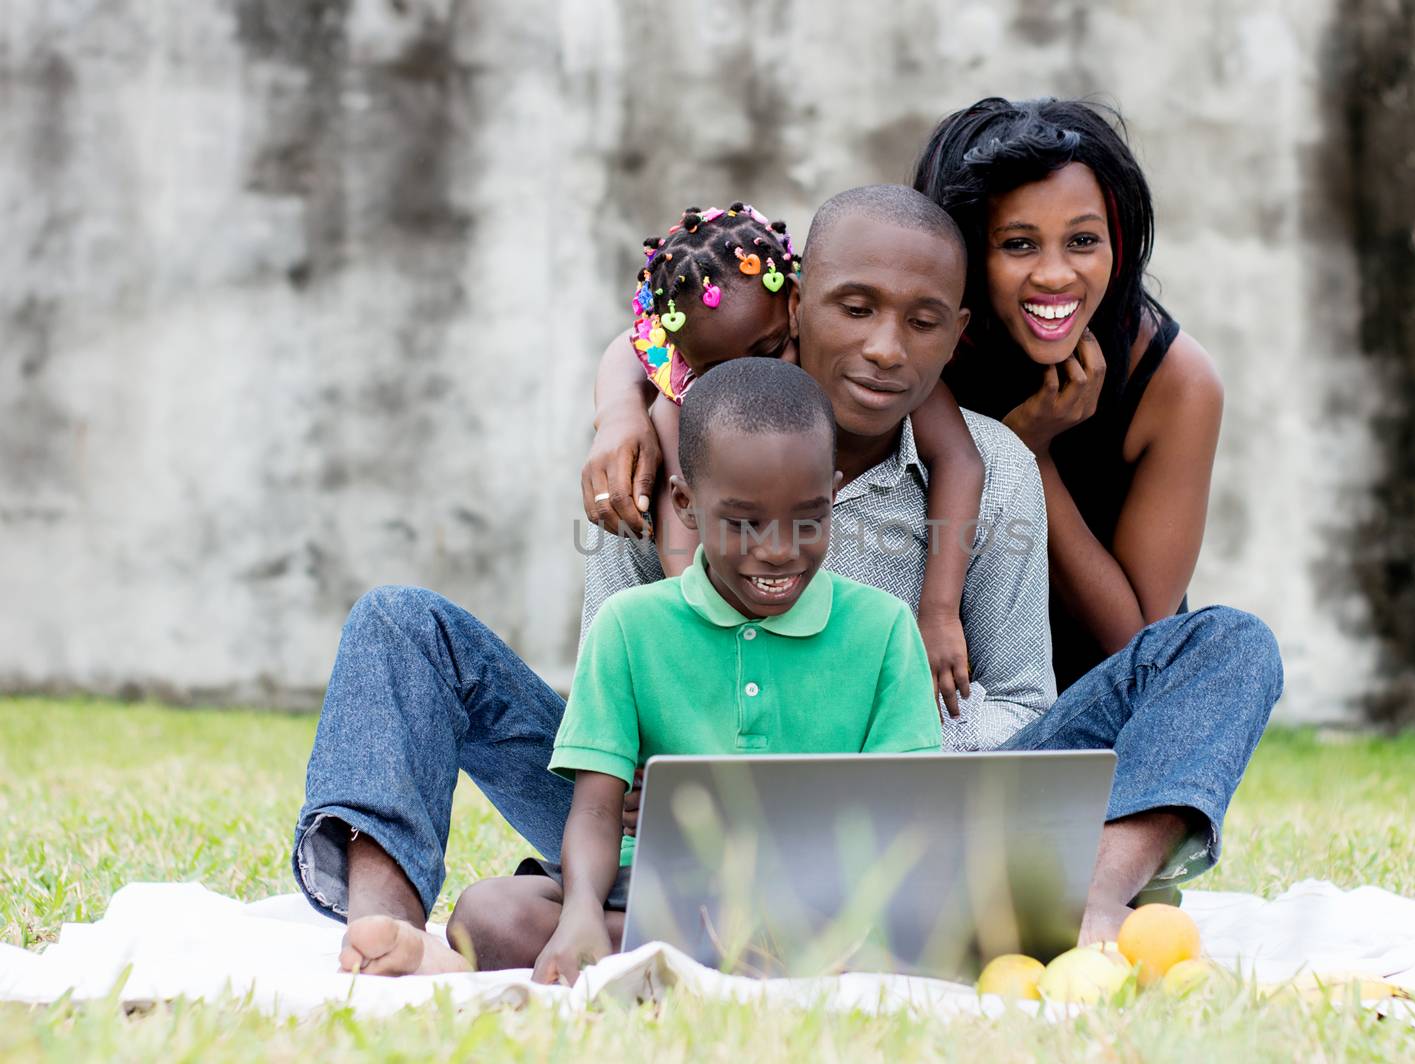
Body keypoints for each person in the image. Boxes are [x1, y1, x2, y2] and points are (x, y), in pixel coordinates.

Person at [581, 184, 1281, 942]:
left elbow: (1021, 706)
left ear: (955, 336)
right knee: (431, 633)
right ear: (798, 306)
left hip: (927, 830)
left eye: (922, 324)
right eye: (854, 310)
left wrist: (839, 768)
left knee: (1230, 645)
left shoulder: (995, 468)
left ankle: (1095, 898)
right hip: (676, 827)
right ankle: (458, 924)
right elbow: (606, 711)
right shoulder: (660, 463)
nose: (886, 349)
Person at [427, 358, 944, 980]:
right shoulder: (630, 626)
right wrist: (583, 910)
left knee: (939, 917)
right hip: (654, 887)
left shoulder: (884, 629)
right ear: (686, 504)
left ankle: (706, 955)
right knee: (489, 916)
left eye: (807, 518)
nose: (777, 549)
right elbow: (595, 809)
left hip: (817, 894)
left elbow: (897, 816)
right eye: (744, 522)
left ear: (832, 496)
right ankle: (755, 958)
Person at [587, 201, 984, 713]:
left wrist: (938, 612)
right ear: (685, 366)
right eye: (716, 373)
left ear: (796, 309)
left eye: (770, 351)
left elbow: (962, 460)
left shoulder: (895, 382)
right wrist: (619, 412)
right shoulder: (679, 410)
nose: (747, 385)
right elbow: (682, 548)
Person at [912, 96, 1225, 692]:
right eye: (1019, 244)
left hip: (1099, 709)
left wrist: (1029, 455)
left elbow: (1135, 647)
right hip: (953, 693)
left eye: (1082, 241)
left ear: (1119, 243)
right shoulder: (925, 352)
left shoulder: (1175, 382)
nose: (1055, 275)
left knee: (1235, 645)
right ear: (968, 250)